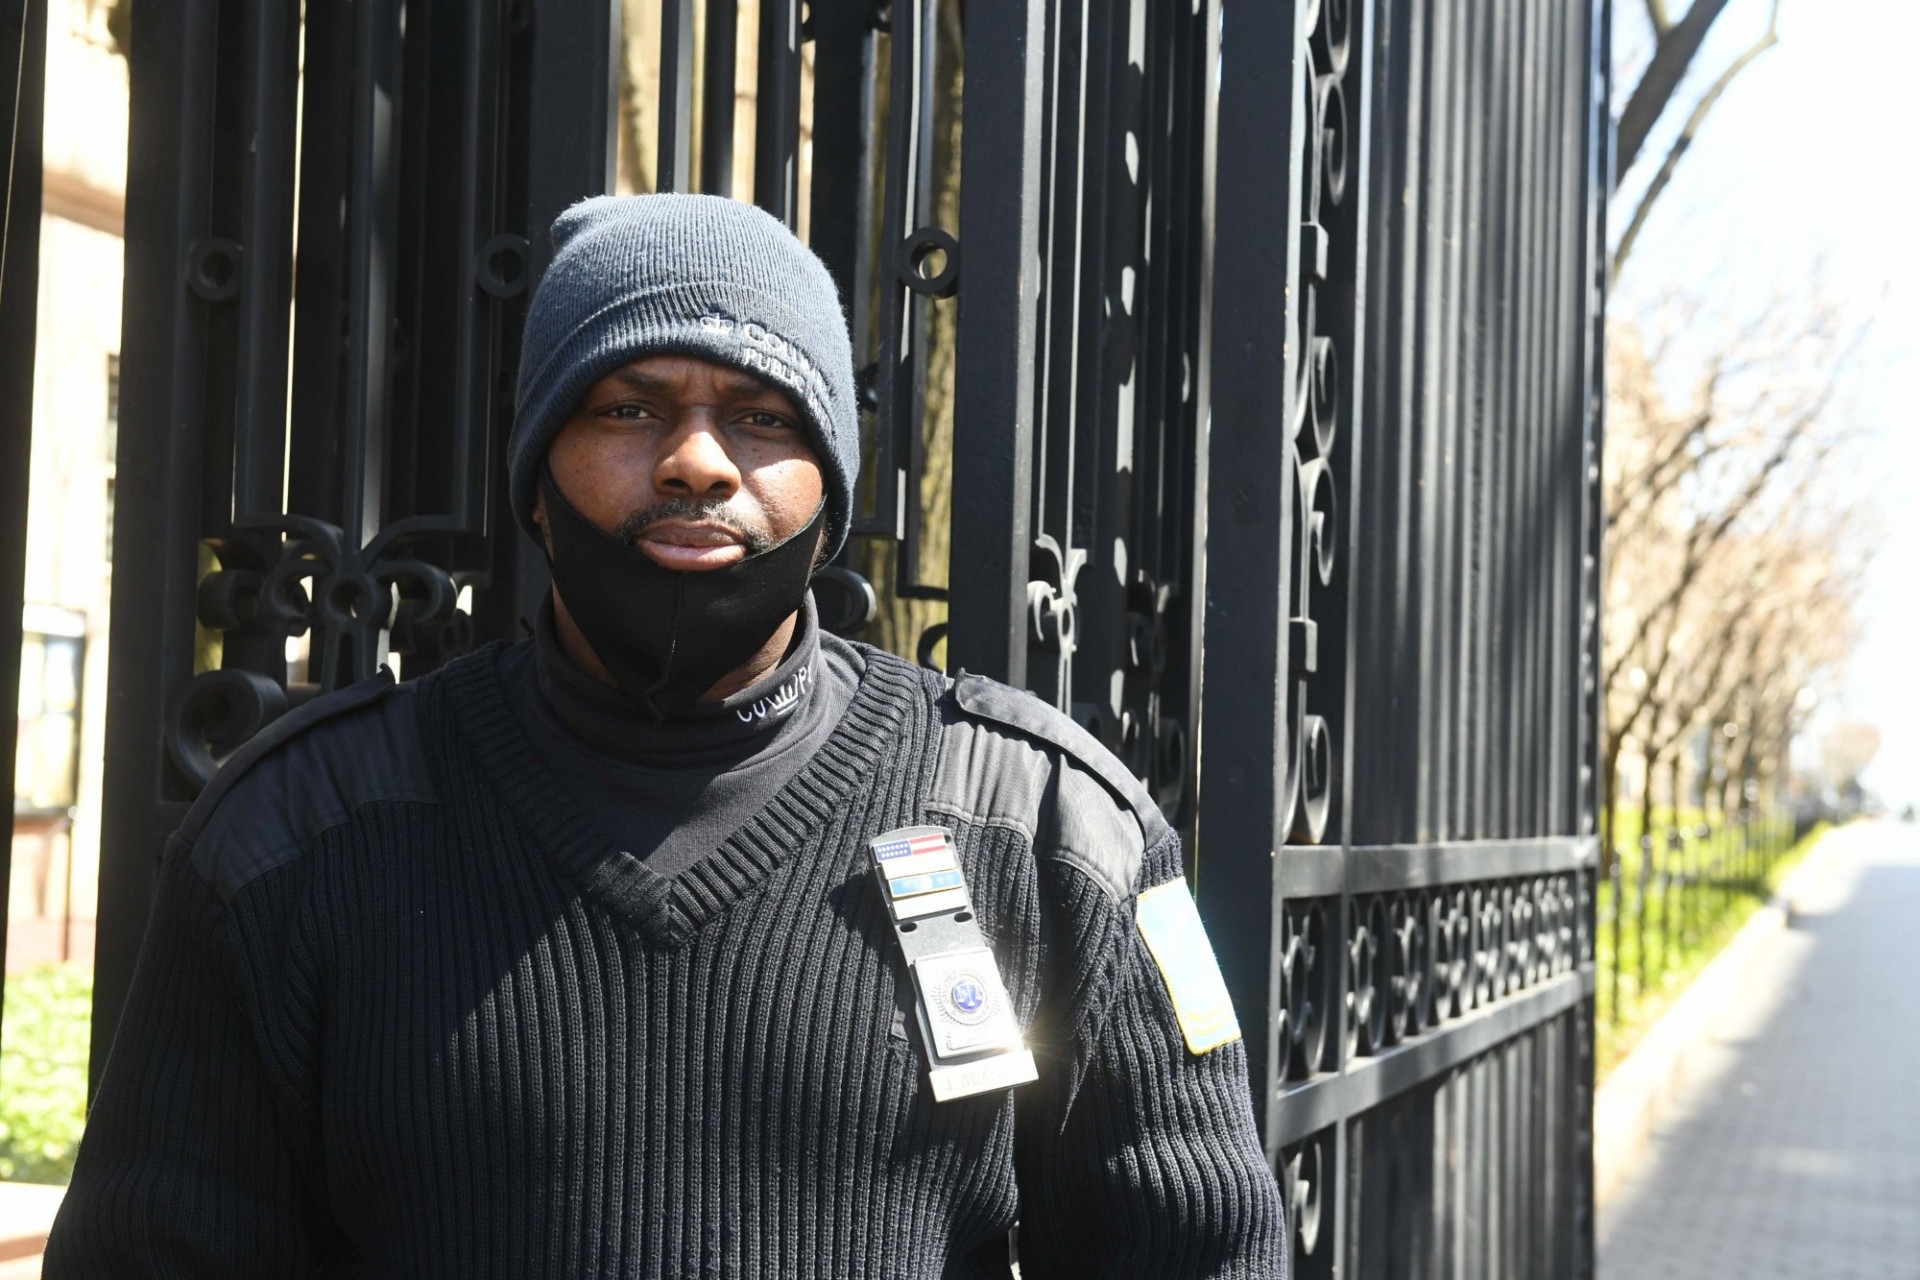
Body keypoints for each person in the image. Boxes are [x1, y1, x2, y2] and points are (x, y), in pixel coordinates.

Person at [47, 194, 1287, 1277]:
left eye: (760, 416)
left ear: (832, 485)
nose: (696, 459)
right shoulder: (295, 832)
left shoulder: (1059, 829)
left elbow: (1200, 1249)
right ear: (536, 474)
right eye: (631, 404)